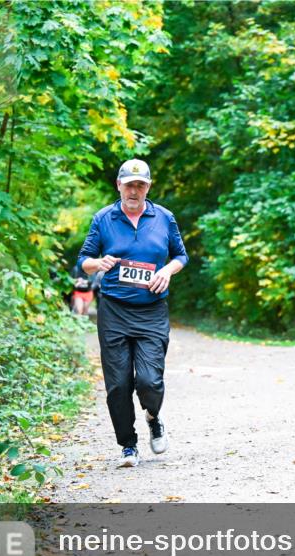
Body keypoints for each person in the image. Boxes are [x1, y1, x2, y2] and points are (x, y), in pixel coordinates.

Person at [77, 159, 188, 468]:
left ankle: (153, 416)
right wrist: (97, 264)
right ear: (119, 186)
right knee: (118, 384)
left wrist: (167, 270)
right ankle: (128, 446)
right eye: (129, 185)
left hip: (152, 310)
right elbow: (83, 259)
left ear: (148, 187)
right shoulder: (104, 218)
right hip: (113, 310)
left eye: (140, 185)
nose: (134, 191)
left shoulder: (164, 217)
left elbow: (181, 255)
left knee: (150, 381)